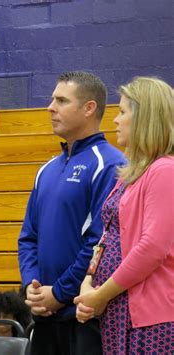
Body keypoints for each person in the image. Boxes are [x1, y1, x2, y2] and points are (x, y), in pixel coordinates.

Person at [18, 71, 126, 355]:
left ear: (89, 108)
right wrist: (32, 285)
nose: (50, 107)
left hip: (85, 320)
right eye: (53, 99)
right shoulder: (47, 170)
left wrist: (60, 293)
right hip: (44, 317)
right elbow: (28, 237)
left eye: (61, 100)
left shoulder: (110, 164)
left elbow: (100, 242)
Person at [74, 77, 174, 354]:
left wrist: (100, 295)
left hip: (151, 318)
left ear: (144, 118)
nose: (115, 120)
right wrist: (88, 286)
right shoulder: (129, 175)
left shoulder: (164, 170)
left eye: (122, 112)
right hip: (118, 313)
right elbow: (105, 237)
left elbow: (153, 248)